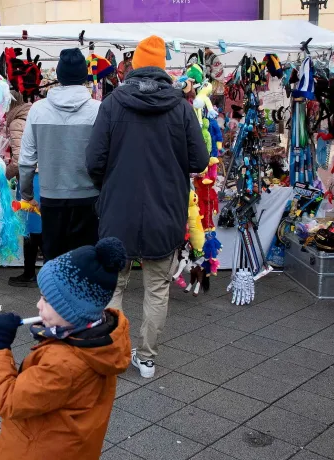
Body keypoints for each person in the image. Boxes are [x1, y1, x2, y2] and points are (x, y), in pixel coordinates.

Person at [86, 35, 210, 378]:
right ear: (164, 69)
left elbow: (93, 160)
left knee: (114, 285)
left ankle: (112, 354)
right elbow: (199, 160)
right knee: (157, 289)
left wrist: (108, 186)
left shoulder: (112, 104)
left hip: (118, 212)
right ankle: (147, 358)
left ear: (134, 65)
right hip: (164, 212)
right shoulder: (181, 108)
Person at [0, 237, 131, 459]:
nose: (38, 305)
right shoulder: (97, 339)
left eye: (47, 299)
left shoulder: (64, 364)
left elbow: (8, 400)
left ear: (73, 311)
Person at [19, 48, 101, 261]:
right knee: (86, 264)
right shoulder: (98, 110)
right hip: (88, 197)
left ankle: (53, 295)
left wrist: (27, 194)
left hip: (51, 197)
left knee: (54, 264)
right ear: (84, 75)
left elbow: (26, 160)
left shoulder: (38, 110)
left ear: (58, 74)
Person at [6, 92, 41, 287]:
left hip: (30, 177)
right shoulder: (35, 114)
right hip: (43, 176)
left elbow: (19, 160)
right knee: (40, 227)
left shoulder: (16, 122)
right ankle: (44, 271)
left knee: (30, 227)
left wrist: (4, 174)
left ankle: (29, 273)